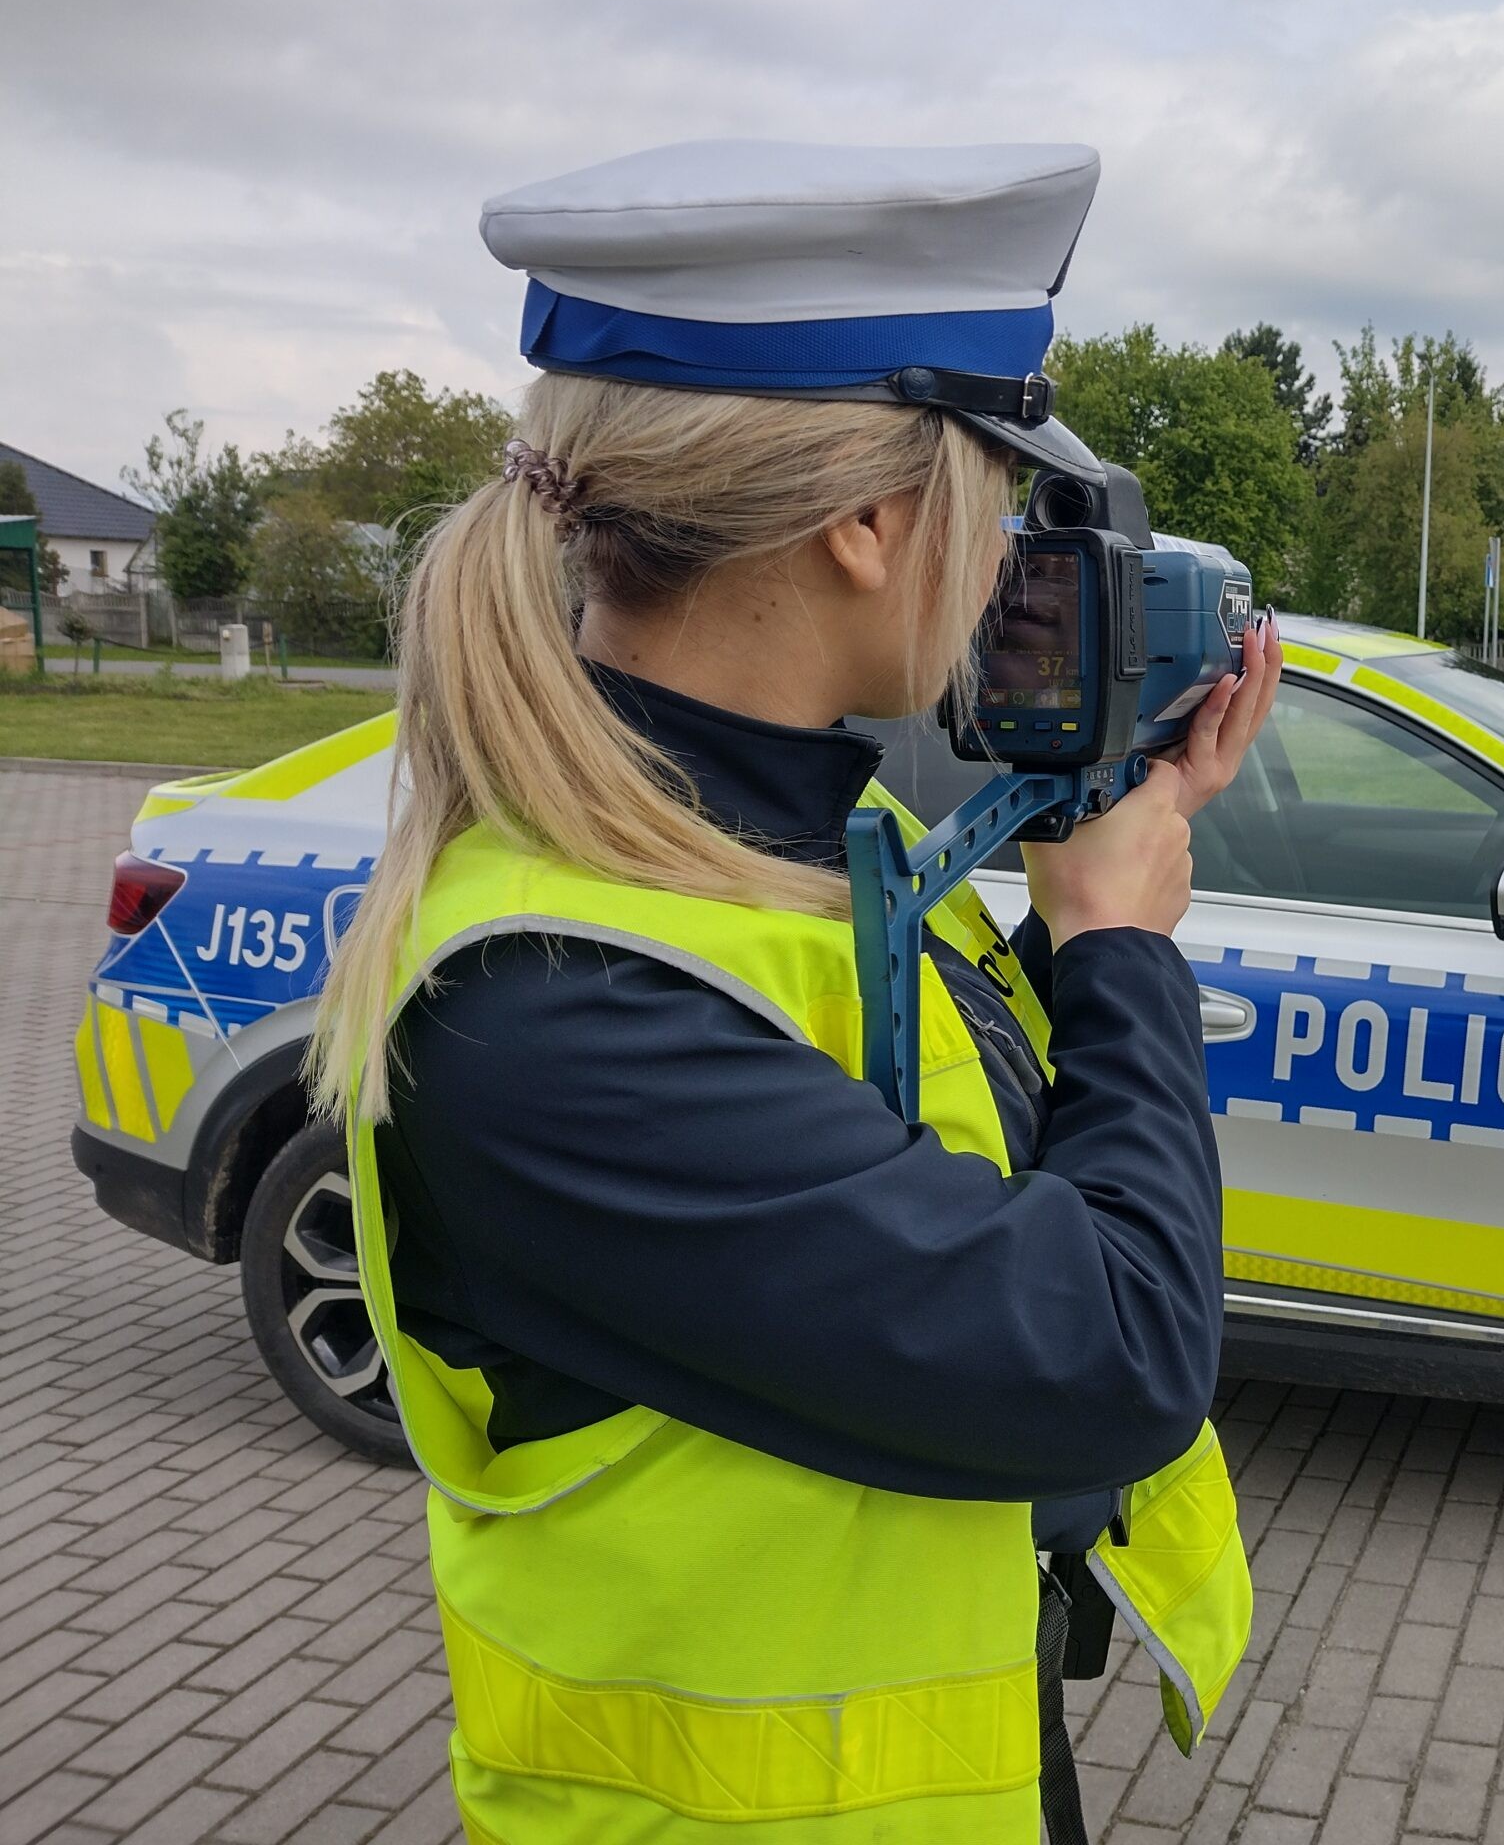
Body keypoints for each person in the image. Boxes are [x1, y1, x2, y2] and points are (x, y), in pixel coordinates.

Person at [311, 141, 1275, 1843]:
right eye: (991, 502)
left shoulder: (822, 836)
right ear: (864, 522)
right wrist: (1123, 951)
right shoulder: (548, 1010)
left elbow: (955, 1165)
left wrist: (1098, 886)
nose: (1004, 567)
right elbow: (1110, 1346)